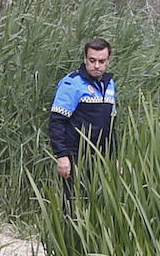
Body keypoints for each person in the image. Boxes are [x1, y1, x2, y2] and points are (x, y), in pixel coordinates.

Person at [49, 38, 118, 198]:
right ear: (85, 59)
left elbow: (111, 125)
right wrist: (62, 156)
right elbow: (57, 122)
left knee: (98, 202)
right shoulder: (72, 83)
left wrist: (115, 157)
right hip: (76, 156)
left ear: (108, 61)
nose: (96, 66)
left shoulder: (110, 85)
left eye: (101, 61)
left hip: (101, 158)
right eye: (92, 60)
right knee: (73, 203)